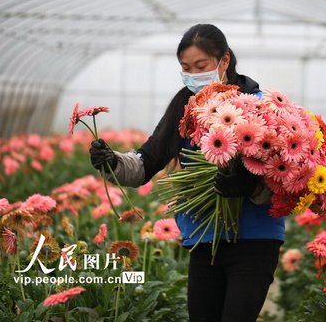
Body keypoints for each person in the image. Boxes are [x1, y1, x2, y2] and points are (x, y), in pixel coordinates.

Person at [89, 24, 285, 322]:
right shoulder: (184, 108)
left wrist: (251, 187)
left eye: (201, 65)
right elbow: (145, 163)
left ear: (225, 61)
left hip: (254, 239)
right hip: (203, 238)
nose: (193, 74)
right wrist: (111, 162)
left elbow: (285, 180)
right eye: (186, 67)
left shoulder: (260, 106)